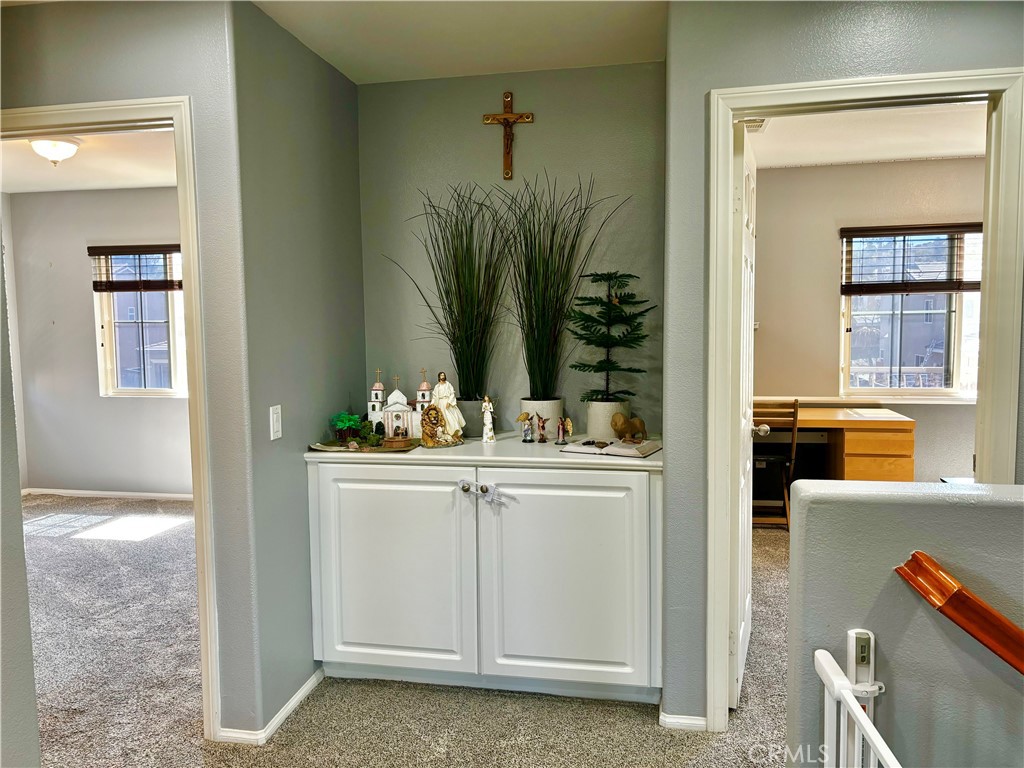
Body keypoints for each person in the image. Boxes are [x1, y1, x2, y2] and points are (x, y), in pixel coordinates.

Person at [430, 372, 466, 441]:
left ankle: (454, 434)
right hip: (440, 403)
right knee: (442, 418)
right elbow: (434, 397)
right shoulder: (437, 386)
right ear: (439, 377)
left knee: (451, 418)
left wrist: (449, 402)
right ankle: (444, 434)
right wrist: (432, 404)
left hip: (447, 402)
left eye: (443, 375)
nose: (442, 376)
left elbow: (452, 393)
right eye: (441, 375)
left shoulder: (448, 384)